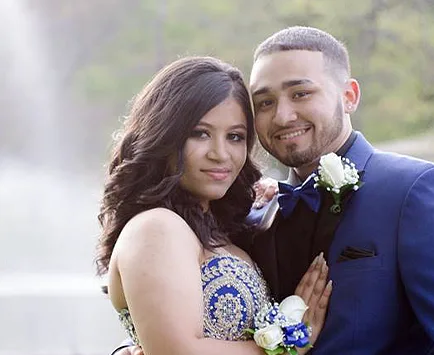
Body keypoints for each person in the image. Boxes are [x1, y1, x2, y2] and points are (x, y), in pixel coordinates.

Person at [113, 27, 434, 355]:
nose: (283, 115)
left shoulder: (416, 191)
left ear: (348, 95)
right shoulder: (251, 216)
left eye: (300, 93)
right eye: (264, 102)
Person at [96, 56, 331, 355]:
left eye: (235, 137)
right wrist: (291, 346)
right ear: (164, 136)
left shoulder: (219, 229)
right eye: (201, 133)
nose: (220, 154)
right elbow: (178, 351)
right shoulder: (156, 227)